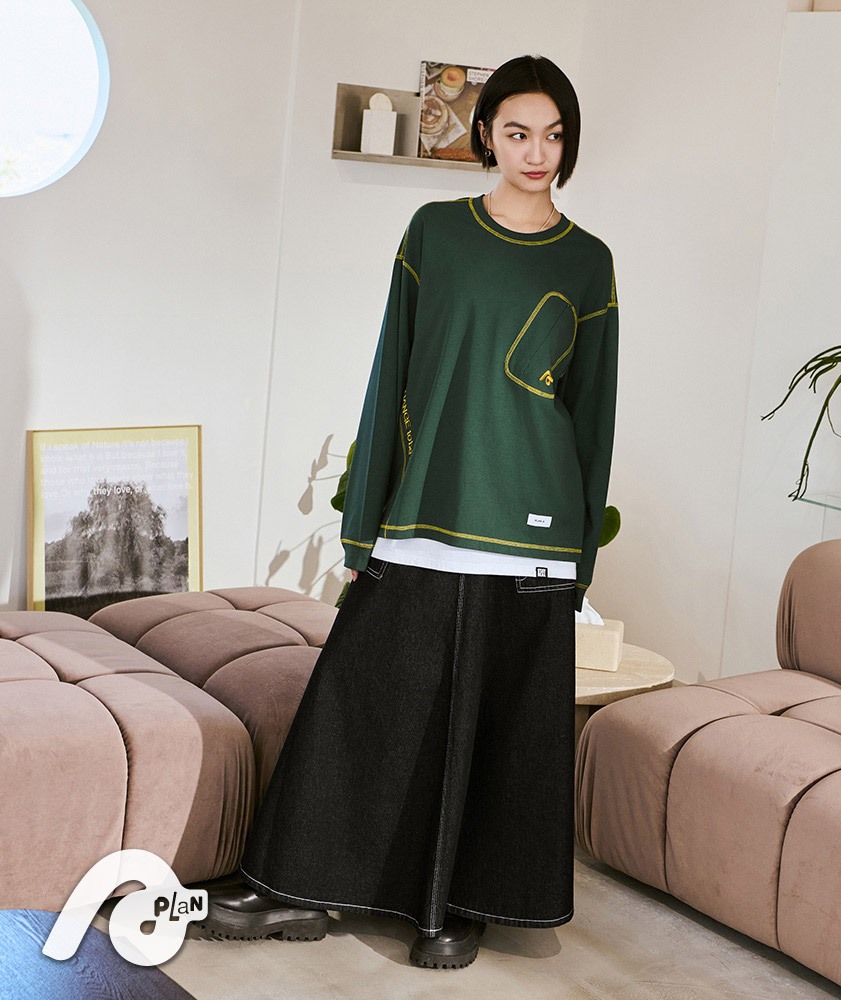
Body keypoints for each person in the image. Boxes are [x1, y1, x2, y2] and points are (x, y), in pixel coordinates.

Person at [197, 53, 618, 971]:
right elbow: (391, 370)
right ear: (486, 135)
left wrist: (581, 553)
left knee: (494, 723)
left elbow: (593, 414)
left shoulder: (589, 263)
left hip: (532, 531)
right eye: (518, 132)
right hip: (427, 513)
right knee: (359, 697)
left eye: (553, 135)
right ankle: (295, 885)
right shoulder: (435, 232)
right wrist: (365, 521)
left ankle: (457, 906)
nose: (537, 152)